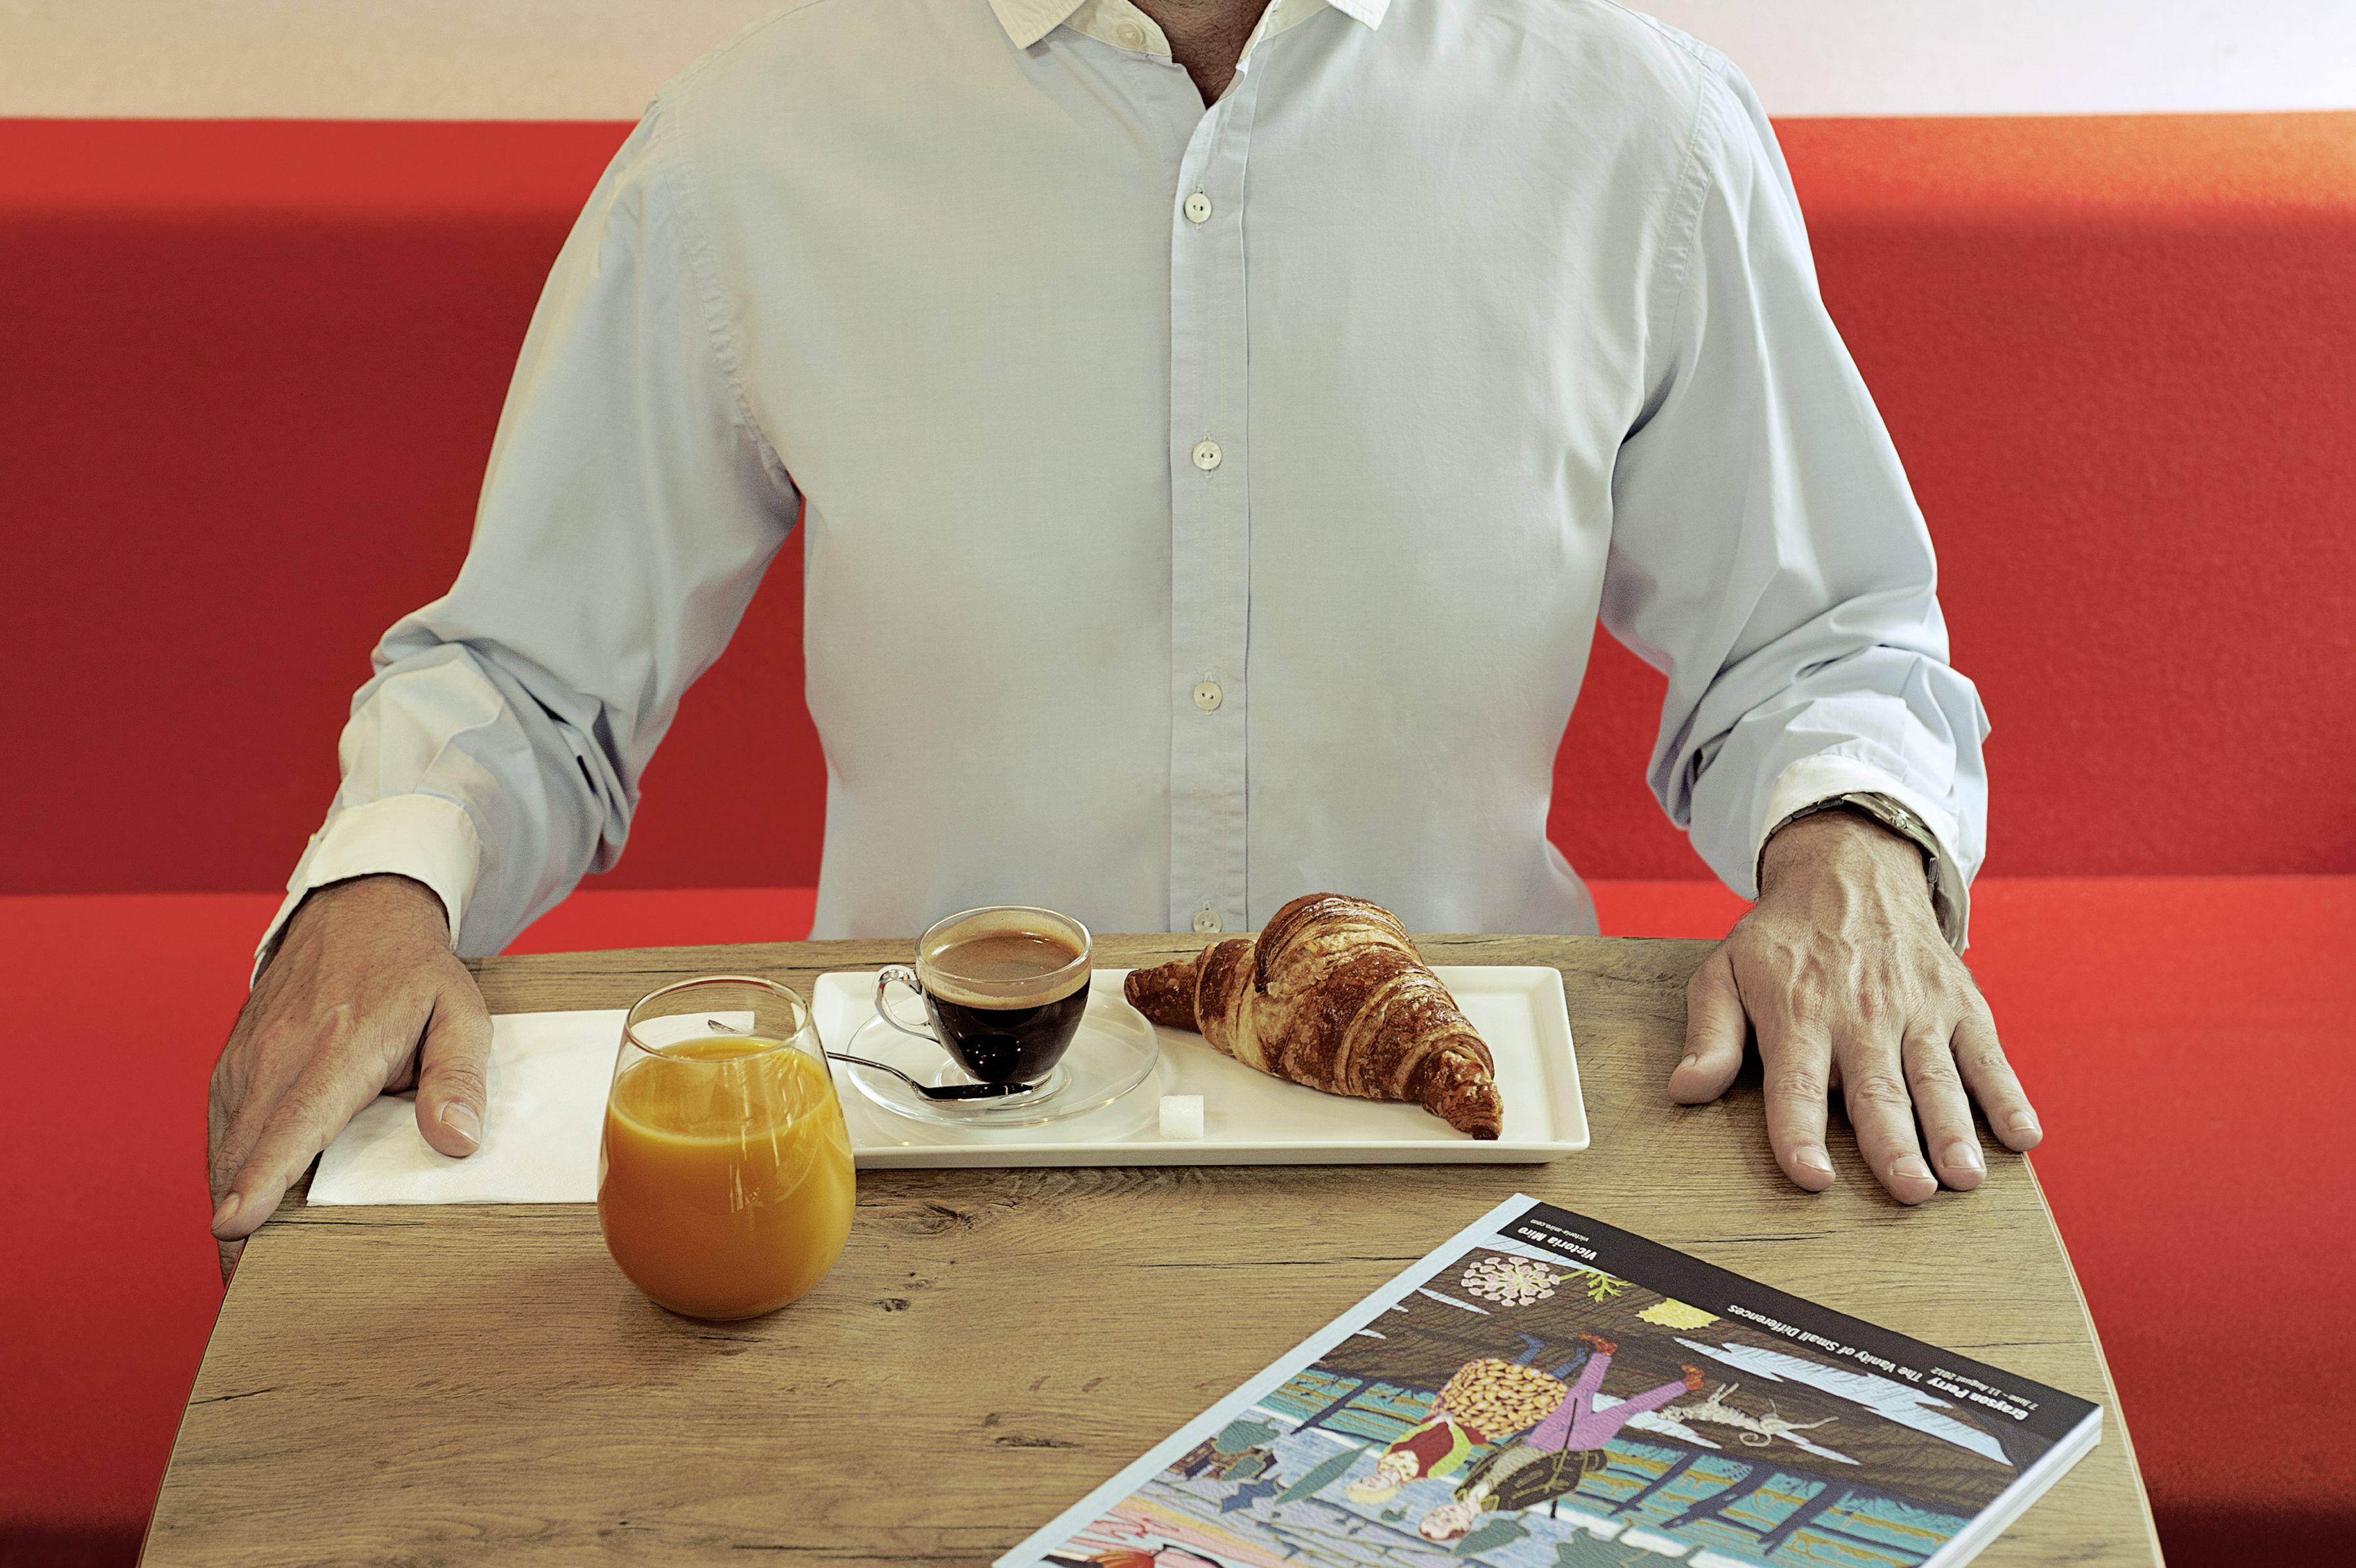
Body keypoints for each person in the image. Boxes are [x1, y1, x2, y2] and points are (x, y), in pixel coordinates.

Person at [206, 0, 2043, 1276]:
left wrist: (1852, 850)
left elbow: (1816, 639)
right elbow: (526, 679)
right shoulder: (750, 147)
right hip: (909, 1190)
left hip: (1469, 1172)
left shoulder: (1639, 132)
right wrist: (383, 887)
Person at [1416, 1334, 1702, 1539]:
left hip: (1535, 1441)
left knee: (1578, 1395)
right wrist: (1570, 1460)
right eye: (1444, 1523)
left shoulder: (1462, 1490)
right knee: (1623, 1411)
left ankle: (1603, 1354)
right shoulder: (1508, 1502)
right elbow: (1562, 1484)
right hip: (1563, 1450)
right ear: (1465, 1527)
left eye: (1434, 1515)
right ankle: (1686, 1385)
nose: (1442, 1515)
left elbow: (1491, 1461)